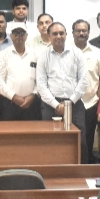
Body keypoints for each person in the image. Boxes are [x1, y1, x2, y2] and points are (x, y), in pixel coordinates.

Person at [36, 22, 90, 162]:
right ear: (49, 36)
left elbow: (84, 81)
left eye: (61, 33)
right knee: (50, 141)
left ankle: (81, 171)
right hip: (50, 105)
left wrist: (69, 103)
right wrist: (56, 104)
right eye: (54, 34)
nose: (58, 36)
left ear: (66, 35)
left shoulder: (77, 53)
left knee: (80, 140)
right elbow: (41, 85)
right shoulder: (43, 56)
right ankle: (52, 170)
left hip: (74, 104)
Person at [0, 27, 38, 122]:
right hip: (9, 104)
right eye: (16, 33)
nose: (19, 36)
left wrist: (33, 95)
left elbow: (39, 79)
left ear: (26, 36)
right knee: (8, 131)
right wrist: (14, 97)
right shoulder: (3, 54)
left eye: (22, 33)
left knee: (31, 131)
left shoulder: (35, 54)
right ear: (11, 36)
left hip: (31, 104)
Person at [72, 20, 100, 163]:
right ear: (73, 33)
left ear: (89, 33)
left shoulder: (97, 52)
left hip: (91, 102)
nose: (81, 33)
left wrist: (97, 96)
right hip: (71, 102)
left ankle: (87, 165)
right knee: (71, 136)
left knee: (89, 136)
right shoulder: (66, 51)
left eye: (84, 31)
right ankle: (72, 164)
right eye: (78, 31)